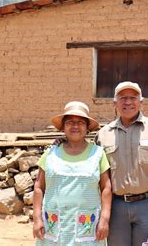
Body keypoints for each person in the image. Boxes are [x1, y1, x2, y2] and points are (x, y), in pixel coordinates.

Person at [95, 81, 148, 246]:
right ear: (115, 103)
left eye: (133, 97)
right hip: (116, 206)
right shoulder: (103, 135)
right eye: (122, 98)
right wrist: (61, 143)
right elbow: (93, 169)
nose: (128, 102)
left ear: (141, 102)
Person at [33, 101, 112, 245]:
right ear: (63, 127)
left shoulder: (98, 154)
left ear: (87, 127)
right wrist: (37, 218)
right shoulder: (50, 153)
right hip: (53, 226)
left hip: (88, 227)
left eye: (80, 122)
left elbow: (106, 188)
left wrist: (104, 219)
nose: (75, 126)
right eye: (70, 122)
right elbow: (39, 186)